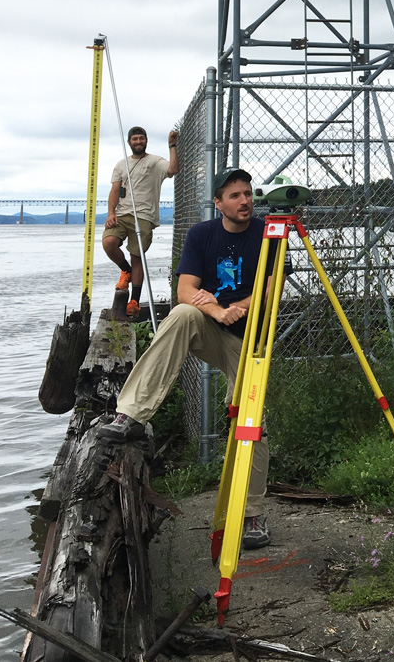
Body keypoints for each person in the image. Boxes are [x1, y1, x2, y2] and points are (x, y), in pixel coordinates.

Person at [99, 168, 274, 550]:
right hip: (212, 327)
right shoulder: (201, 235)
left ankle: (253, 514)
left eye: (248, 194)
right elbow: (184, 290)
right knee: (182, 315)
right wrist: (215, 311)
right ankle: (131, 413)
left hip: (250, 341)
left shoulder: (268, 233)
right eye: (235, 195)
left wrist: (235, 307)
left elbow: (269, 290)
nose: (244, 201)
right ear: (219, 203)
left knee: (249, 416)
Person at [103, 126, 180, 317]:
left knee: (137, 257)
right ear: (129, 142)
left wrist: (172, 145)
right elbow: (114, 190)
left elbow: (173, 169)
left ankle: (134, 301)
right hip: (122, 214)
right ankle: (125, 271)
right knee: (109, 243)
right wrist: (111, 213)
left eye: (141, 139)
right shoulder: (121, 165)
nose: (138, 142)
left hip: (145, 216)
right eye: (134, 139)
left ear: (146, 141)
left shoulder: (155, 161)